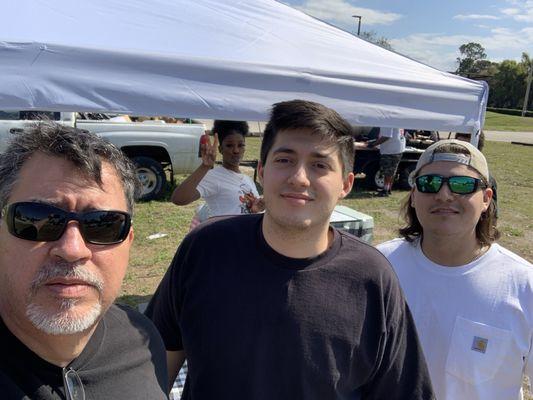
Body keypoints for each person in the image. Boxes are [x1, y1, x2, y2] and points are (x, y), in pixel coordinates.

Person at [146, 100, 435, 400]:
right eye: (284, 160)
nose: (298, 177)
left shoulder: (372, 277)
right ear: (261, 171)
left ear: (346, 184)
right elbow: (153, 364)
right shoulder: (204, 249)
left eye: (320, 165)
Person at [0, 122, 168, 399]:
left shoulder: (143, 342)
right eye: (36, 220)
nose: (72, 249)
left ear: (128, 242)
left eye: (104, 224)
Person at [377, 139, 532, 400]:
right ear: (413, 196)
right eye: (429, 183)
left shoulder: (524, 286)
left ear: (486, 199)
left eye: (462, 185)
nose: (444, 195)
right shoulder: (379, 266)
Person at [171, 120, 263, 222]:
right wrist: (204, 167)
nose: (236, 150)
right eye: (229, 145)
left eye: (241, 145)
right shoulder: (213, 176)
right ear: (220, 149)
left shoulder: (248, 180)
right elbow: (178, 199)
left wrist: (256, 208)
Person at [455, 131, 498, 217]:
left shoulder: (487, 178)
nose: (461, 154)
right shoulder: (441, 171)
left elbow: (492, 215)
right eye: (458, 146)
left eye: (466, 149)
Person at [367, 127, 406, 197]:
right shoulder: (395, 120)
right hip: (398, 148)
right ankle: (388, 189)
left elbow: (386, 136)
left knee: (387, 172)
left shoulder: (387, 123)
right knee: (392, 171)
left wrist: (373, 144)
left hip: (390, 150)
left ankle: (385, 191)